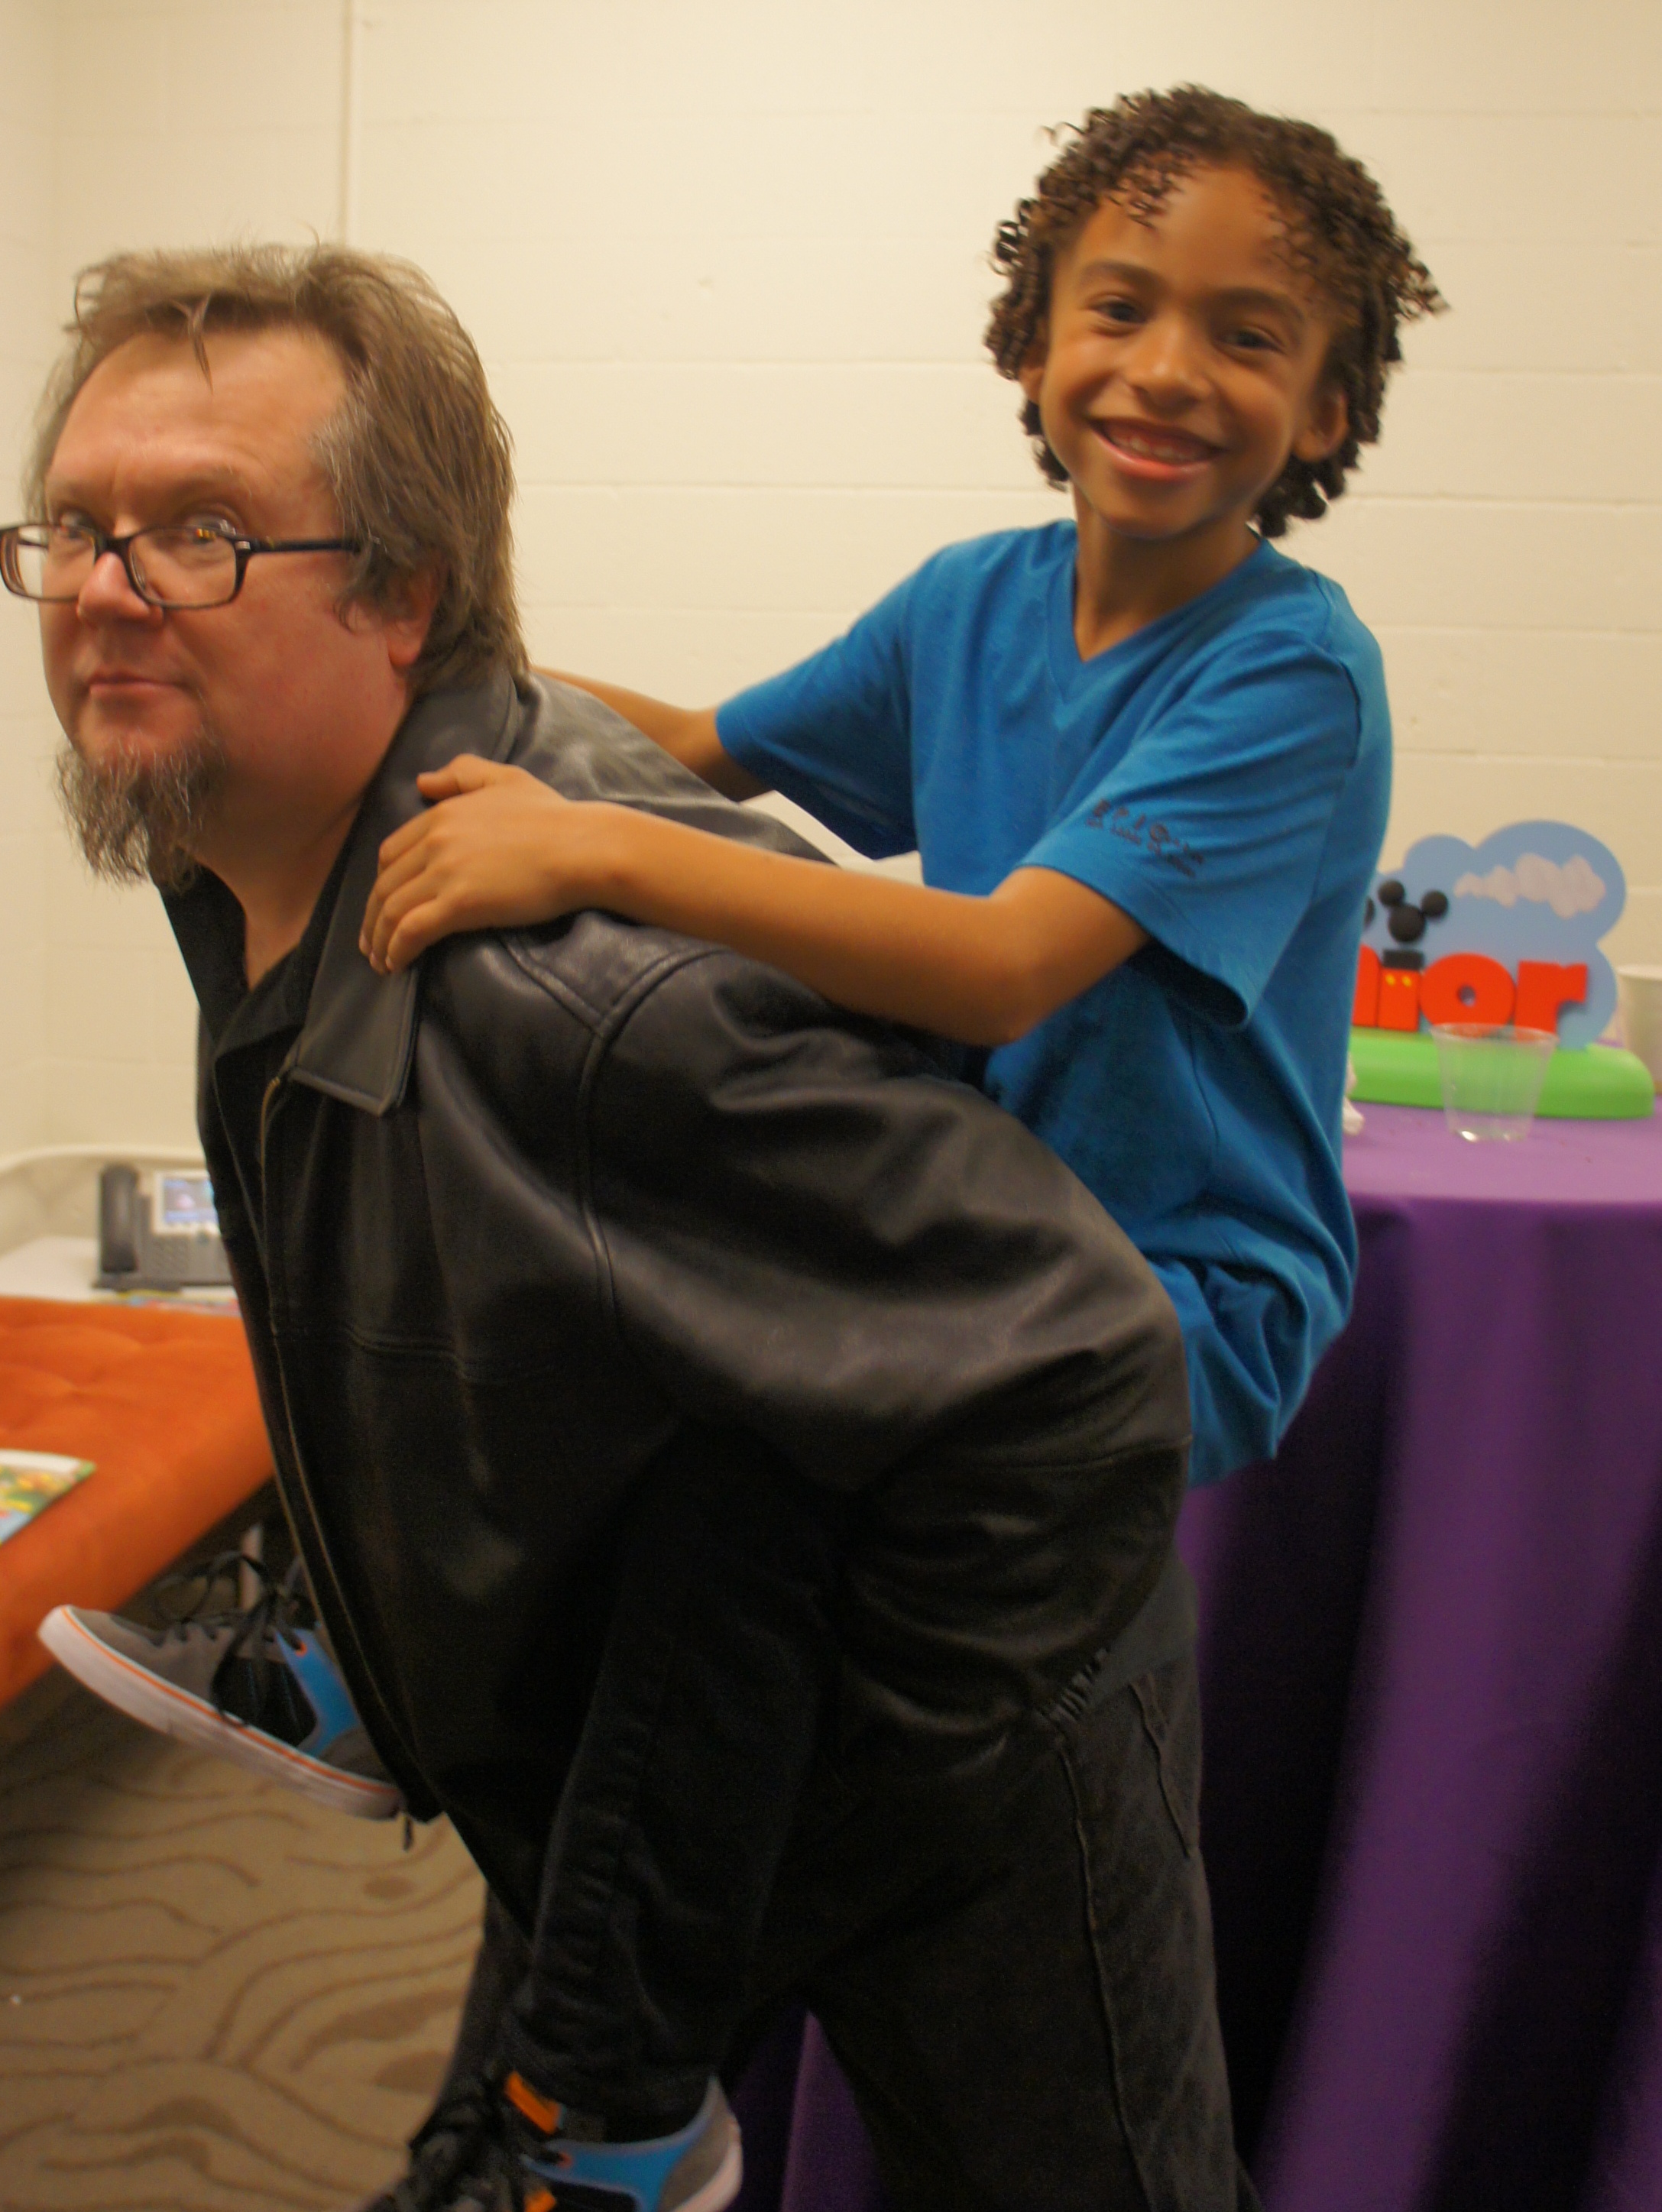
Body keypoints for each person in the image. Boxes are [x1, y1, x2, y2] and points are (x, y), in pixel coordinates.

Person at [5, 239, 1280, 2212]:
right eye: (80, 525)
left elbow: (1081, 1373)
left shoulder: (590, 1000)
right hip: (684, 1659)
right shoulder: (223, 830)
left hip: (965, 1756)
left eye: (206, 532)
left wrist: (838, 1785)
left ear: (400, 597)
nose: (107, 585)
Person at [358, 85, 1442, 1495]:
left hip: (1178, 1297)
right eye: (1120, 310)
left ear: (1324, 411)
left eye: (1246, 337)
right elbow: (687, 747)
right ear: (1033, 343)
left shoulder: (1293, 671)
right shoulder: (971, 604)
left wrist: (589, 853)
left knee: (700, 1405)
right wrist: (402, 660)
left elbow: (1003, 970)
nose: (1169, 370)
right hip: (974, 1214)